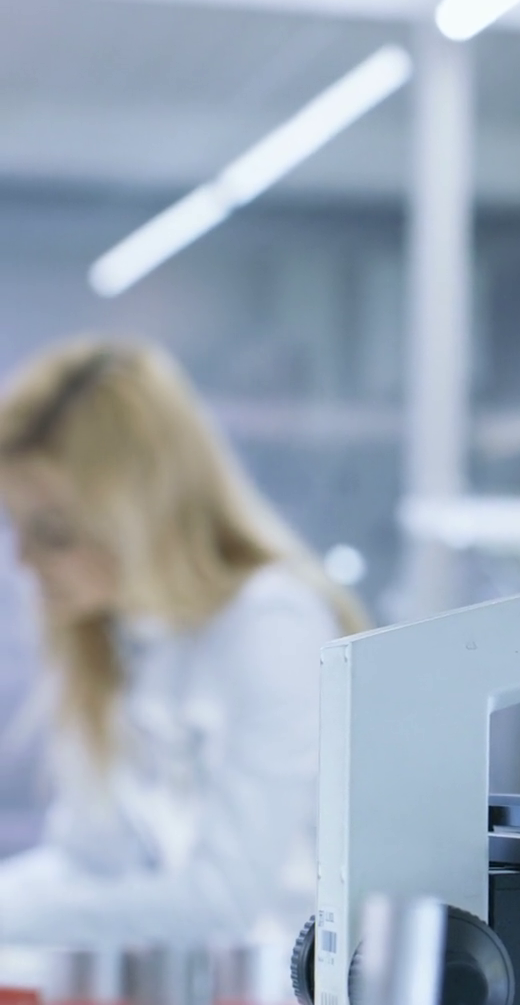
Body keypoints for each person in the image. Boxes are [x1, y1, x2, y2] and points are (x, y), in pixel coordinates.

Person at [0, 338, 366, 945]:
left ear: (140, 514)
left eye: (55, 532)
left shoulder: (274, 625)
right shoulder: (120, 637)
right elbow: (88, 859)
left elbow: (224, 901)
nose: (23, 561)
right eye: (14, 526)